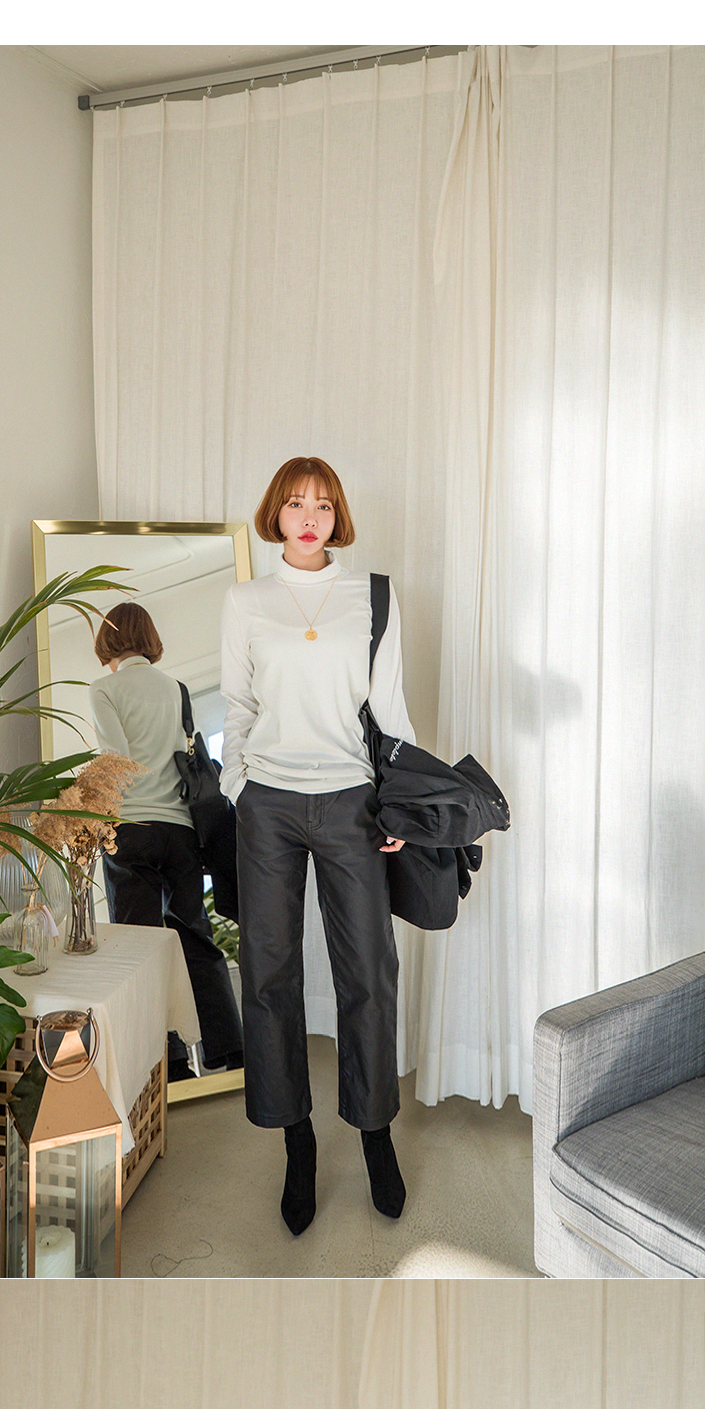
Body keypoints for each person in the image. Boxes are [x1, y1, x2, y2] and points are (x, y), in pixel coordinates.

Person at [219, 458, 411, 1235]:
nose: (308, 517)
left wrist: (397, 802)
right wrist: (238, 785)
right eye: (296, 503)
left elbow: (390, 708)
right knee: (268, 970)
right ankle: (296, 1142)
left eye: (323, 505)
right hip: (267, 801)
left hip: (349, 800)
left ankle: (374, 1134)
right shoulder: (246, 601)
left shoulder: (373, 595)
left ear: (338, 518)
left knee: (367, 967)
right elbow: (237, 703)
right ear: (276, 512)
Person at [89, 603, 243, 1073]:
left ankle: (168, 1062)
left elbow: (114, 760)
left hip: (132, 830)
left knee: (140, 947)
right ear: (150, 638)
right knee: (193, 935)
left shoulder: (104, 689)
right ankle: (228, 1048)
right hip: (180, 831)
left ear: (107, 641)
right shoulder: (177, 689)